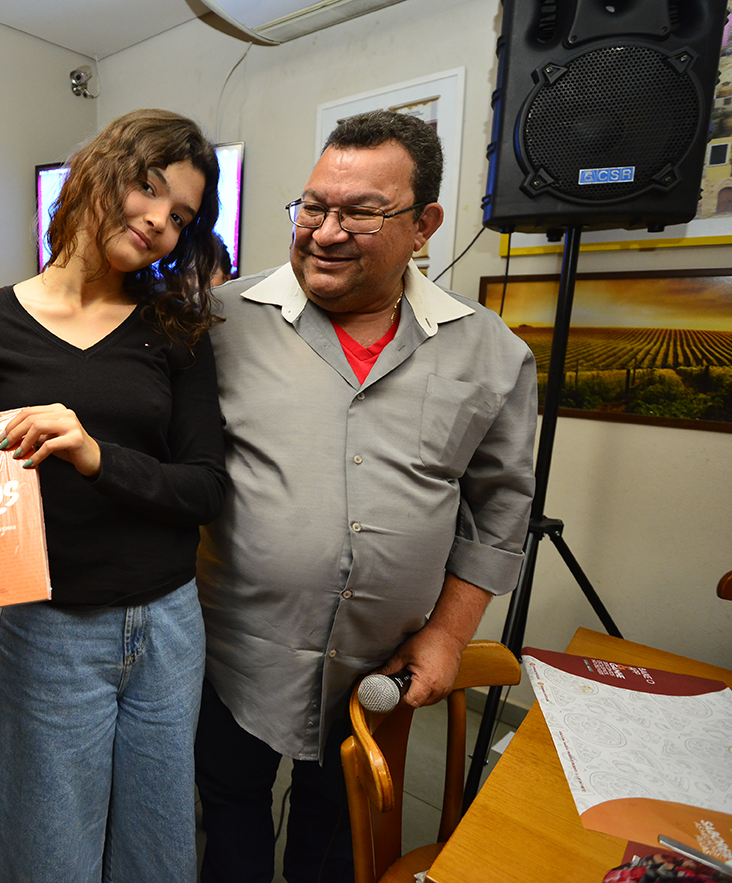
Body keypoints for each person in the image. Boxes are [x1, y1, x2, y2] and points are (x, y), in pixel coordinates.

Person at [194, 110, 537, 883]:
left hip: (379, 669)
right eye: (312, 206)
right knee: (230, 820)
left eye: (360, 213)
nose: (325, 231)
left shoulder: (490, 353)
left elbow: (498, 511)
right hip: (230, 657)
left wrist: (449, 635)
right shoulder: (218, 325)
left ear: (423, 226)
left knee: (336, 839)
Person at [0, 108, 227, 883]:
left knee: (156, 854)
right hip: (47, 628)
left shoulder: (176, 329)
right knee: (46, 856)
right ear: (97, 173)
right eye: (149, 188)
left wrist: (98, 457)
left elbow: (205, 487)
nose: (160, 221)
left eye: (181, 216)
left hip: (167, 625)